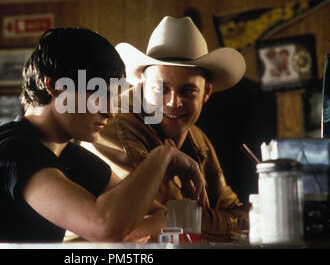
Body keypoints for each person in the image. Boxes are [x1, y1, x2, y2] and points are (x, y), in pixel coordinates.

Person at [0, 27, 208, 243]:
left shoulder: (69, 155)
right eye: (100, 95)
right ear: (56, 87)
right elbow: (104, 226)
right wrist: (163, 156)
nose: (110, 111)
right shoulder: (12, 149)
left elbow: (159, 215)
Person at [85, 16, 250, 238]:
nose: (173, 102)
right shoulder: (115, 128)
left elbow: (232, 209)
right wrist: (229, 222)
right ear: (143, 86)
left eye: (188, 91)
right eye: (161, 89)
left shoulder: (197, 137)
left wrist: (223, 219)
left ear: (207, 92)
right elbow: (164, 218)